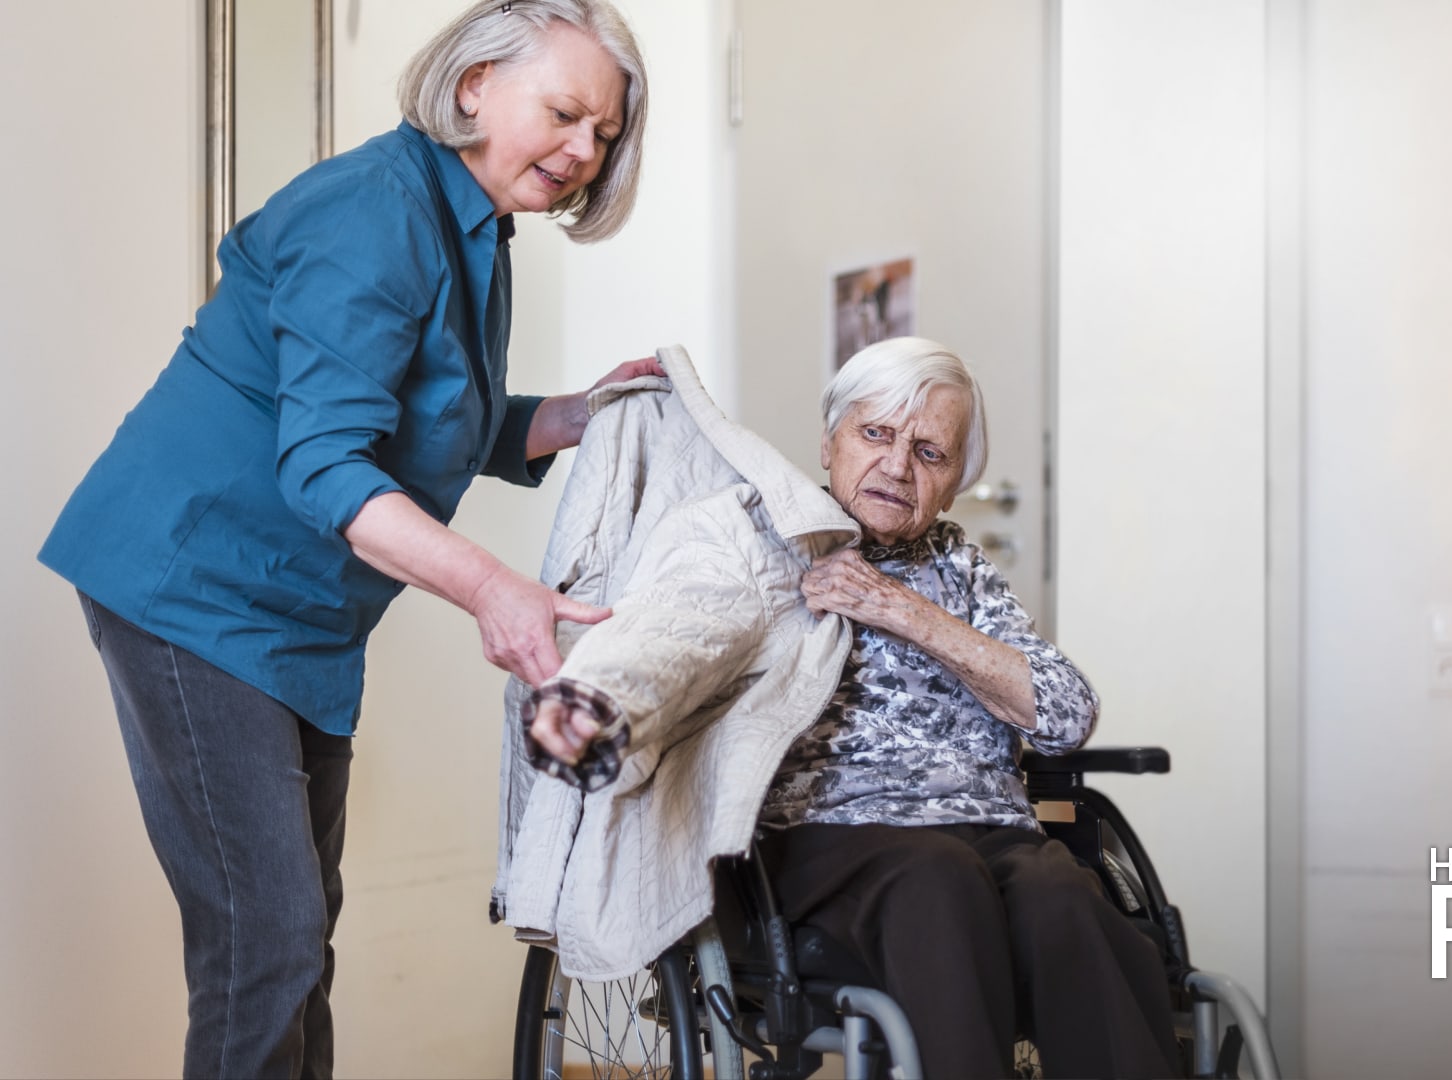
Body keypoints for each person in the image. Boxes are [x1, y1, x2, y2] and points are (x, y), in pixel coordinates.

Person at [38, 2, 652, 1075]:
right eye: (564, 113)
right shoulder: (378, 210)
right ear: (474, 86)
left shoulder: (468, 225)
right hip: (196, 583)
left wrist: (564, 415)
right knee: (264, 939)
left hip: (293, 612)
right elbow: (325, 462)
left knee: (292, 934)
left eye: (602, 133)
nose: (582, 151)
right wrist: (495, 590)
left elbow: (423, 412)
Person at [530, 337, 1181, 1079]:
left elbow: (1065, 715)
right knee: (935, 877)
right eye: (875, 434)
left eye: (930, 453)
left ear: (954, 483)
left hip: (989, 830)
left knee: (1062, 890)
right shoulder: (763, 534)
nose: (898, 466)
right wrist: (601, 700)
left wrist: (901, 610)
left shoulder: (960, 566)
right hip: (819, 839)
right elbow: (679, 635)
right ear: (829, 438)